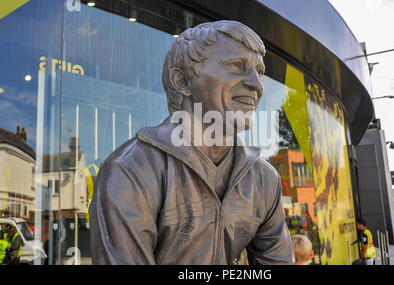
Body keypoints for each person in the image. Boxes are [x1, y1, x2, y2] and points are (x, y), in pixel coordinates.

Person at [89, 20, 294, 265]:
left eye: (259, 71)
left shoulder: (263, 179)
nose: (257, 84)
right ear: (182, 81)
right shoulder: (130, 171)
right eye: (236, 65)